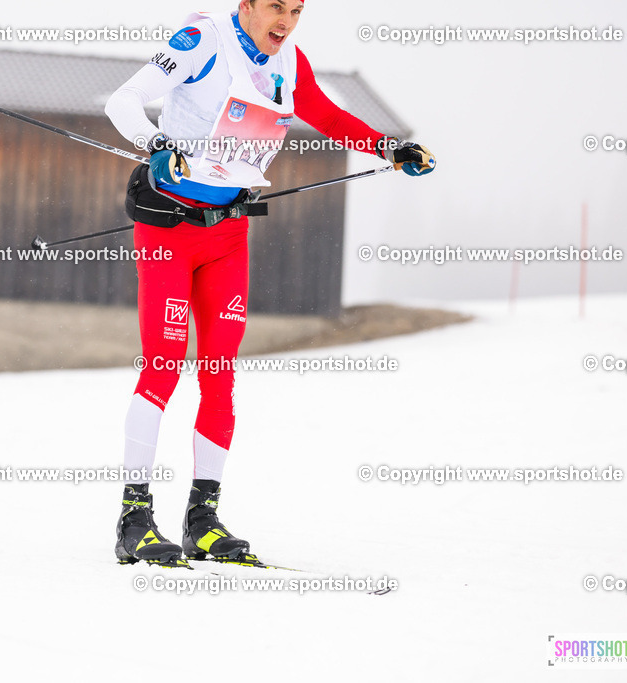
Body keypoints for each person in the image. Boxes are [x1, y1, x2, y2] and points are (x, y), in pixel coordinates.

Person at [105, 0, 435, 567]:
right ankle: (134, 519)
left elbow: (330, 118)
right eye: (275, 7)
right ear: (247, 6)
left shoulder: (289, 62)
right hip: (170, 231)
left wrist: (388, 148)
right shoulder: (203, 41)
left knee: (219, 375)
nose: (285, 22)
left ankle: (202, 521)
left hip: (227, 235)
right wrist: (155, 143)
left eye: (297, 10)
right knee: (163, 366)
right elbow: (124, 100)